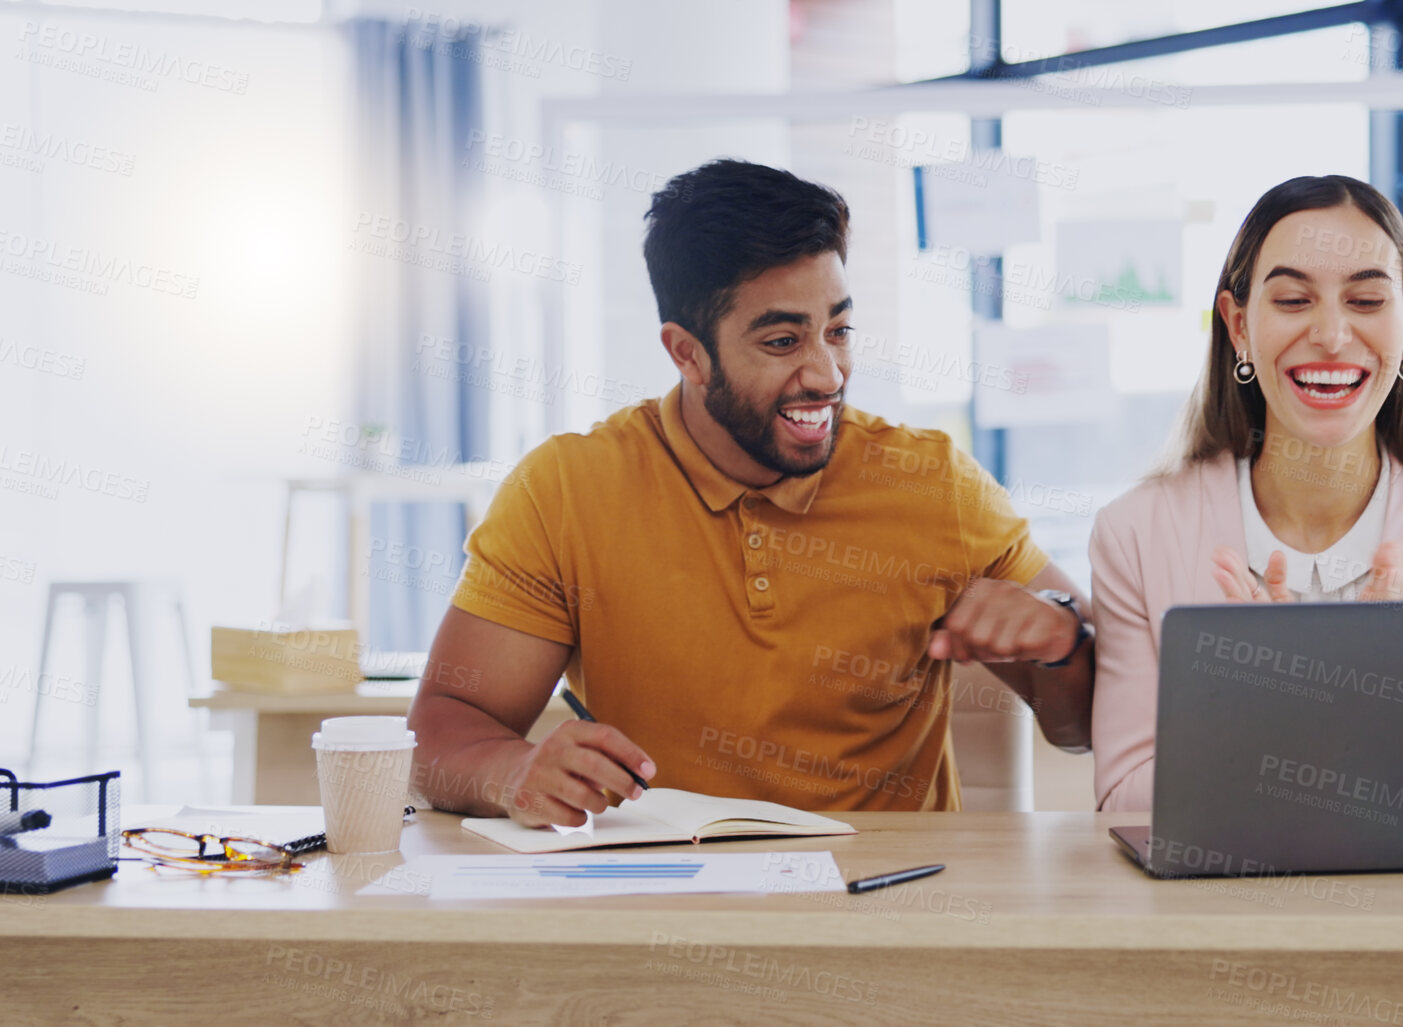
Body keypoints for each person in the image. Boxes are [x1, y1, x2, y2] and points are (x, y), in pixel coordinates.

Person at [408, 159, 1095, 827]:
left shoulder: (933, 481)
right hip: (665, 899)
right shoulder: (563, 490)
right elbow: (443, 730)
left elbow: (1085, 727)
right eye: (782, 340)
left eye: (838, 330)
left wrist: (1062, 640)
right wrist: (513, 772)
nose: (826, 373)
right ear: (687, 352)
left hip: (886, 904)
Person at [1088, 175, 1403, 813]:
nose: (1332, 335)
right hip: (1219, 911)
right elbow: (1124, 799)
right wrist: (1276, 714)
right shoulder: (1135, 534)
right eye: (1292, 300)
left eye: (1365, 300)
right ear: (1238, 325)